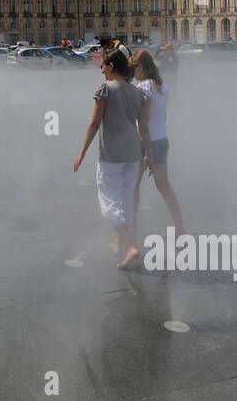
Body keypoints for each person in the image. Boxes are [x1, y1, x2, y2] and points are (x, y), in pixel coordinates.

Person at [74, 48, 148, 268]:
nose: (101, 68)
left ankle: (130, 245)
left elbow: (94, 124)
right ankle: (126, 246)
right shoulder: (136, 92)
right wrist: (148, 155)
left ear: (112, 67)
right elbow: (140, 125)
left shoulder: (106, 90)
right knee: (125, 200)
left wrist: (82, 152)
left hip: (112, 155)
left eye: (103, 65)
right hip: (133, 153)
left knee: (108, 203)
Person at [129, 49, 186, 237]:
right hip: (161, 139)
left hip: (144, 142)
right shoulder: (163, 87)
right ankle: (180, 226)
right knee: (164, 186)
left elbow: (142, 121)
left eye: (133, 68)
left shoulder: (142, 88)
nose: (132, 72)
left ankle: (131, 229)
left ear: (142, 67)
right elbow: (163, 116)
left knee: (132, 188)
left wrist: (146, 151)